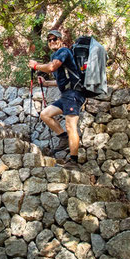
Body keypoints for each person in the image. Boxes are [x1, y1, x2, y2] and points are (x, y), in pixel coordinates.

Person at [28, 30, 86, 170]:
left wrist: (36, 65)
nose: (52, 41)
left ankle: (73, 161)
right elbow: (63, 79)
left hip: (74, 94)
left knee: (71, 125)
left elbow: (51, 67)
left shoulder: (64, 51)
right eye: (49, 40)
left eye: (55, 39)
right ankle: (64, 137)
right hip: (66, 95)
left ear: (61, 40)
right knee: (45, 114)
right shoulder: (56, 55)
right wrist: (47, 83)